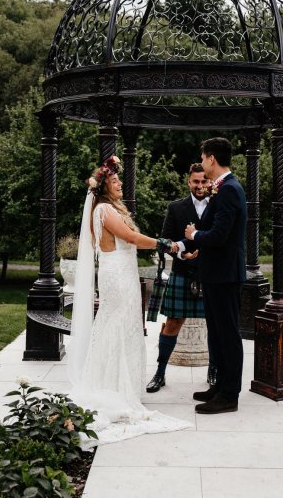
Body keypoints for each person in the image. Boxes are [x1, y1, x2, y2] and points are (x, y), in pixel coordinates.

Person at [67, 155, 191, 447]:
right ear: (103, 187)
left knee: (119, 324)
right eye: (114, 180)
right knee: (117, 325)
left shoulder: (104, 209)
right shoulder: (104, 210)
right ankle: (113, 386)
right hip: (117, 275)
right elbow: (131, 238)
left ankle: (115, 381)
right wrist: (169, 245)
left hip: (120, 272)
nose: (120, 183)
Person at [184, 137, 246, 415]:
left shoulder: (230, 189)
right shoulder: (222, 189)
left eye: (203, 156)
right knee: (217, 334)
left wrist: (194, 235)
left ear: (211, 159)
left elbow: (220, 236)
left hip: (224, 274)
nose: (203, 161)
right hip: (215, 274)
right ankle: (219, 387)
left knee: (228, 334)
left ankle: (229, 395)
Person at [146, 163, 217, 393]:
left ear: (210, 182)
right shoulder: (176, 208)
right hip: (182, 272)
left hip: (210, 275)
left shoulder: (217, 205)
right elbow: (165, 241)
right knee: (173, 324)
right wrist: (181, 253)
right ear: (188, 182)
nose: (200, 185)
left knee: (215, 325)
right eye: (196, 181)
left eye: (204, 181)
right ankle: (160, 373)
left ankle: (213, 371)